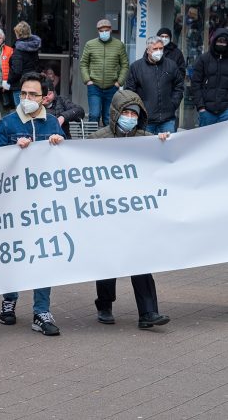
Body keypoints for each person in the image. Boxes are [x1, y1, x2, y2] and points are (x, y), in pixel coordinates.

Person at [88, 90, 171, 329]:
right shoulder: (97, 140)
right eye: (125, 112)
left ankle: (148, 313)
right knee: (107, 260)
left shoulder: (147, 139)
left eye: (134, 114)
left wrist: (164, 144)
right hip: (107, 210)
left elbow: (162, 164)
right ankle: (104, 305)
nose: (129, 117)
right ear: (115, 113)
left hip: (135, 213)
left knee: (140, 259)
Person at [0, 73, 64, 336]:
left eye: (33, 94)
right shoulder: (9, 123)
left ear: (44, 97)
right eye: (23, 94)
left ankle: (41, 311)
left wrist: (59, 144)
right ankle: (9, 299)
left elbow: (65, 161)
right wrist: (12, 151)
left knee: (44, 253)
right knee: (14, 252)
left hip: (43, 205)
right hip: (14, 205)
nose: (27, 99)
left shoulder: (53, 123)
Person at [125, 36, 184, 134]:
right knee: (146, 148)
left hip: (167, 119)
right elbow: (130, 91)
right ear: (148, 50)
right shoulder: (136, 67)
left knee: (168, 148)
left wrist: (173, 103)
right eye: (155, 49)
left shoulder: (171, 65)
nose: (159, 51)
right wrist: (139, 110)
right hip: (146, 121)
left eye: (161, 48)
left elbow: (179, 86)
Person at [80, 18, 128, 125]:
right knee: (94, 115)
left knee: (108, 117)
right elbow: (83, 63)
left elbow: (125, 65)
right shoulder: (90, 44)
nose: (104, 33)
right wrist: (87, 80)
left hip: (112, 87)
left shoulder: (119, 45)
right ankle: (92, 140)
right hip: (94, 87)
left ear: (111, 30)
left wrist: (119, 82)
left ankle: (107, 141)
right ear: (98, 31)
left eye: (106, 30)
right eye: (101, 31)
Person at [191, 28, 228, 126]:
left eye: (224, 41)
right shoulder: (204, 59)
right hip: (206, 112)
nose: (221, 44)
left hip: (226, 112)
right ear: (214, 41)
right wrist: (201, 107)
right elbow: (195, 83)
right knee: (205, 140)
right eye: (219, 41)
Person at [7, 21, 42, 106]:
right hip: (33, 83)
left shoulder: (18, 51)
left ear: (17, 33)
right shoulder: (34, 48)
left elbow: (17, 71)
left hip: (20, 86)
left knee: (21, 112)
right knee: (31, 111)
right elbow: (37, 66)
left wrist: (9, 80)